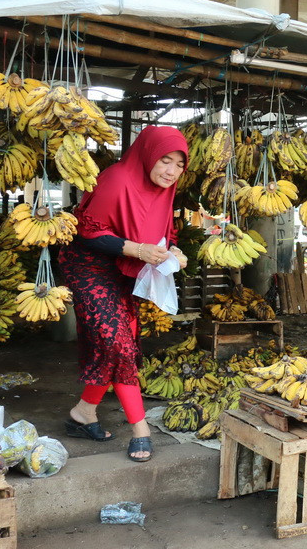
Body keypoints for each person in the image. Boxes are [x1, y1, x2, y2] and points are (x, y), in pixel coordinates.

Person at [58, 126, 189, 462]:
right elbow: (88, 232)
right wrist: (137, 249)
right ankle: (140, 429)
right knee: (117, 342)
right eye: (164, 160)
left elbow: (163, 231)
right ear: (148, 155)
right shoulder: (115, 179)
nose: (171, 171)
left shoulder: (165, 190)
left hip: (124, 266)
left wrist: (173, 250)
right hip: (88, 265)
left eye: (179, 164)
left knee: (121, 339)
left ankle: (83, 413)